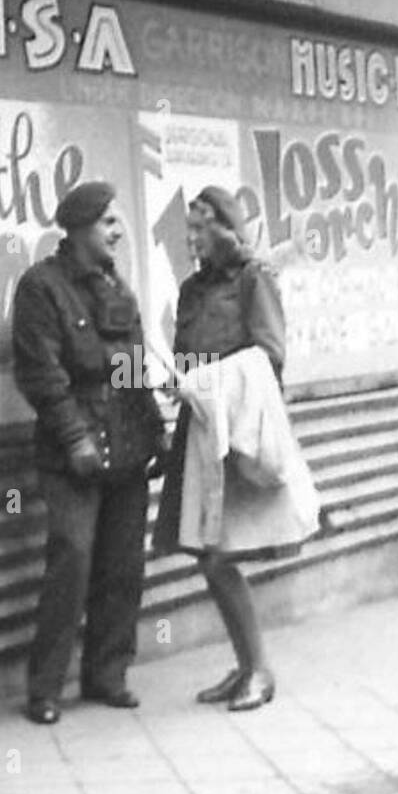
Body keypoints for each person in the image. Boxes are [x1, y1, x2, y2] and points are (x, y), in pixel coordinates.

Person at [11, 181, 163, 725]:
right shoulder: (40, 288)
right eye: (108, 223)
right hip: (73, 454)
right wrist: (74, 437)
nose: (118, 232)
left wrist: (156, 431)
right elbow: (41, 374)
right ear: (76, 229)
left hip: (126, 447)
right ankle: (45, 688)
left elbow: (133, 366)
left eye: (117, 223)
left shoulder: (118, 289)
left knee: (123, 566)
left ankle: (107, 675)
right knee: (71, 560)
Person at [153, 185, 289, 712]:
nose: (189, 239)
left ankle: (258, 669)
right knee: (208, 553)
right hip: (201, 429)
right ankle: (247, 665)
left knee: (217, 555)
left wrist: (216, 383)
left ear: (224, 230)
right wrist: (179, 380)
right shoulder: (190, 291)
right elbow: (189, 357)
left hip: (236, 430)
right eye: (186, 229)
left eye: (198, 229)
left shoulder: (256, 279)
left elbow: (271, 357)